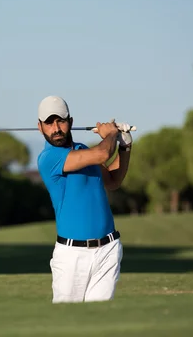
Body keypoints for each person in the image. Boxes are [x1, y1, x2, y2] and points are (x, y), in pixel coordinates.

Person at [36, 95, 133, 304]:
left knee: (98, 323)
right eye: (49, 123)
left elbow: (113, 181)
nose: (56, 128)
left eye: (60, 121)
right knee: (66, 324)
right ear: (40, 127)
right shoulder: (48, 158)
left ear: (70, 122)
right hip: (71, 256)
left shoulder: (83, 151)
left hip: (108, 250)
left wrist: (124, 147)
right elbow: (102, 153)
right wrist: (110, 135)